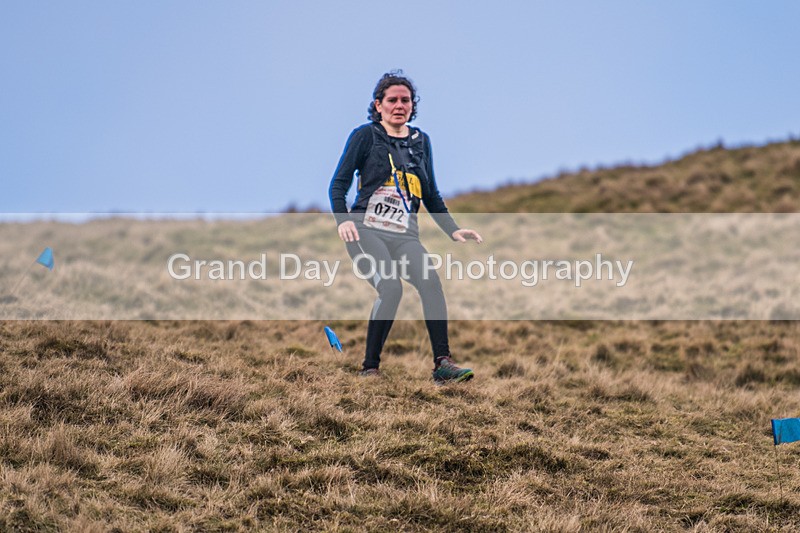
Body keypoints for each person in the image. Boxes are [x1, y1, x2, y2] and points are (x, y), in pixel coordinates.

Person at [329, 70, 482, 383]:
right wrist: (343, 220)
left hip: (404, 236)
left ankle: (443, 365)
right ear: (379, 105)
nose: (399, 105)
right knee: (391, 287)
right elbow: (338, 184)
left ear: (413, 105)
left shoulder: (421, 142)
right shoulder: (365, 136)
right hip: (365, 231)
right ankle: (370, 368)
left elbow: (431, 194)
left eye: (406, 100)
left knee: (431, 283)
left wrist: (453, 229)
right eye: (392, 100)